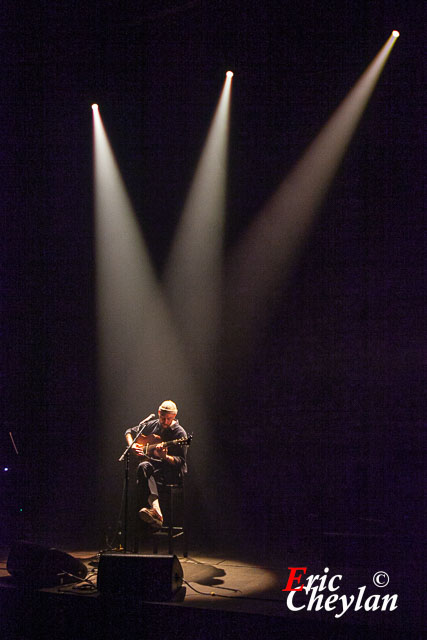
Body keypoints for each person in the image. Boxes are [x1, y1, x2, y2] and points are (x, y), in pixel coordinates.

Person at [125, 400, 187, 529]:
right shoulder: (152, 425)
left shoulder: (180, 434)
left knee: (144, 472)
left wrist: (165, 457)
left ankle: (155, 512)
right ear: (159, 413)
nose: (165, 422)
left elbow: (181, 461)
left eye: (168, 419)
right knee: (143, 467)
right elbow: (129, 431)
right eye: (162, 418)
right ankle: (155, 512)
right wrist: (132, 445)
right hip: (153, 470)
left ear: (174, 416)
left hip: (171, 473)